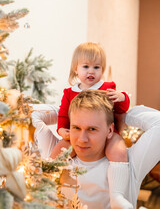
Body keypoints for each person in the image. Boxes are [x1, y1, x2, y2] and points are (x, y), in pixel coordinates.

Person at [32, 90, 160, 209]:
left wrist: (123, 116)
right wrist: (66, 112)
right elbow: (29, 112)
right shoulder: (55, 154)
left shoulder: (129, 162)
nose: (82, 139)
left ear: (110, 130)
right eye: (76, 127)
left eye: (92, 129)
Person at [52, 42, 131, 208]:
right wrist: (61, 130)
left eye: (97, 67)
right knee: (59, 149)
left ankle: (116, 194)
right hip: (77, 133)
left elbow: (122, 108)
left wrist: (122, 97)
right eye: (86, 66)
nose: (91, 71)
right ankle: (48, 181)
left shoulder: (107, 88)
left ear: (102, 69)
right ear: (76, 69)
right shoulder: (70, 92)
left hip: (107, 134)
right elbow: (63, 114)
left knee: (118, 151)